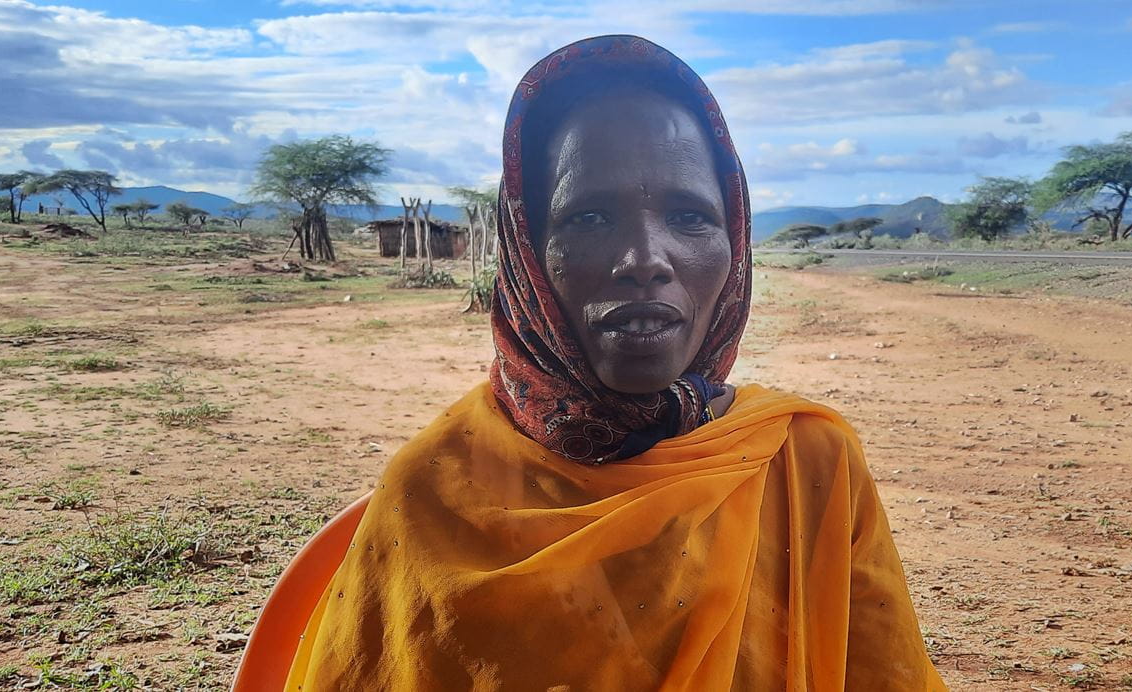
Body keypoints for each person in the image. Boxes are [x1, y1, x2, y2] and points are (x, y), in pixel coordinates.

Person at [276, 35, 944, 690]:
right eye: (590, 217)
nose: (645, 260)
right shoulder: (436, 491)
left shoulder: (807, 465)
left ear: (733, 243)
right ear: (527, 250)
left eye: (689, 216)